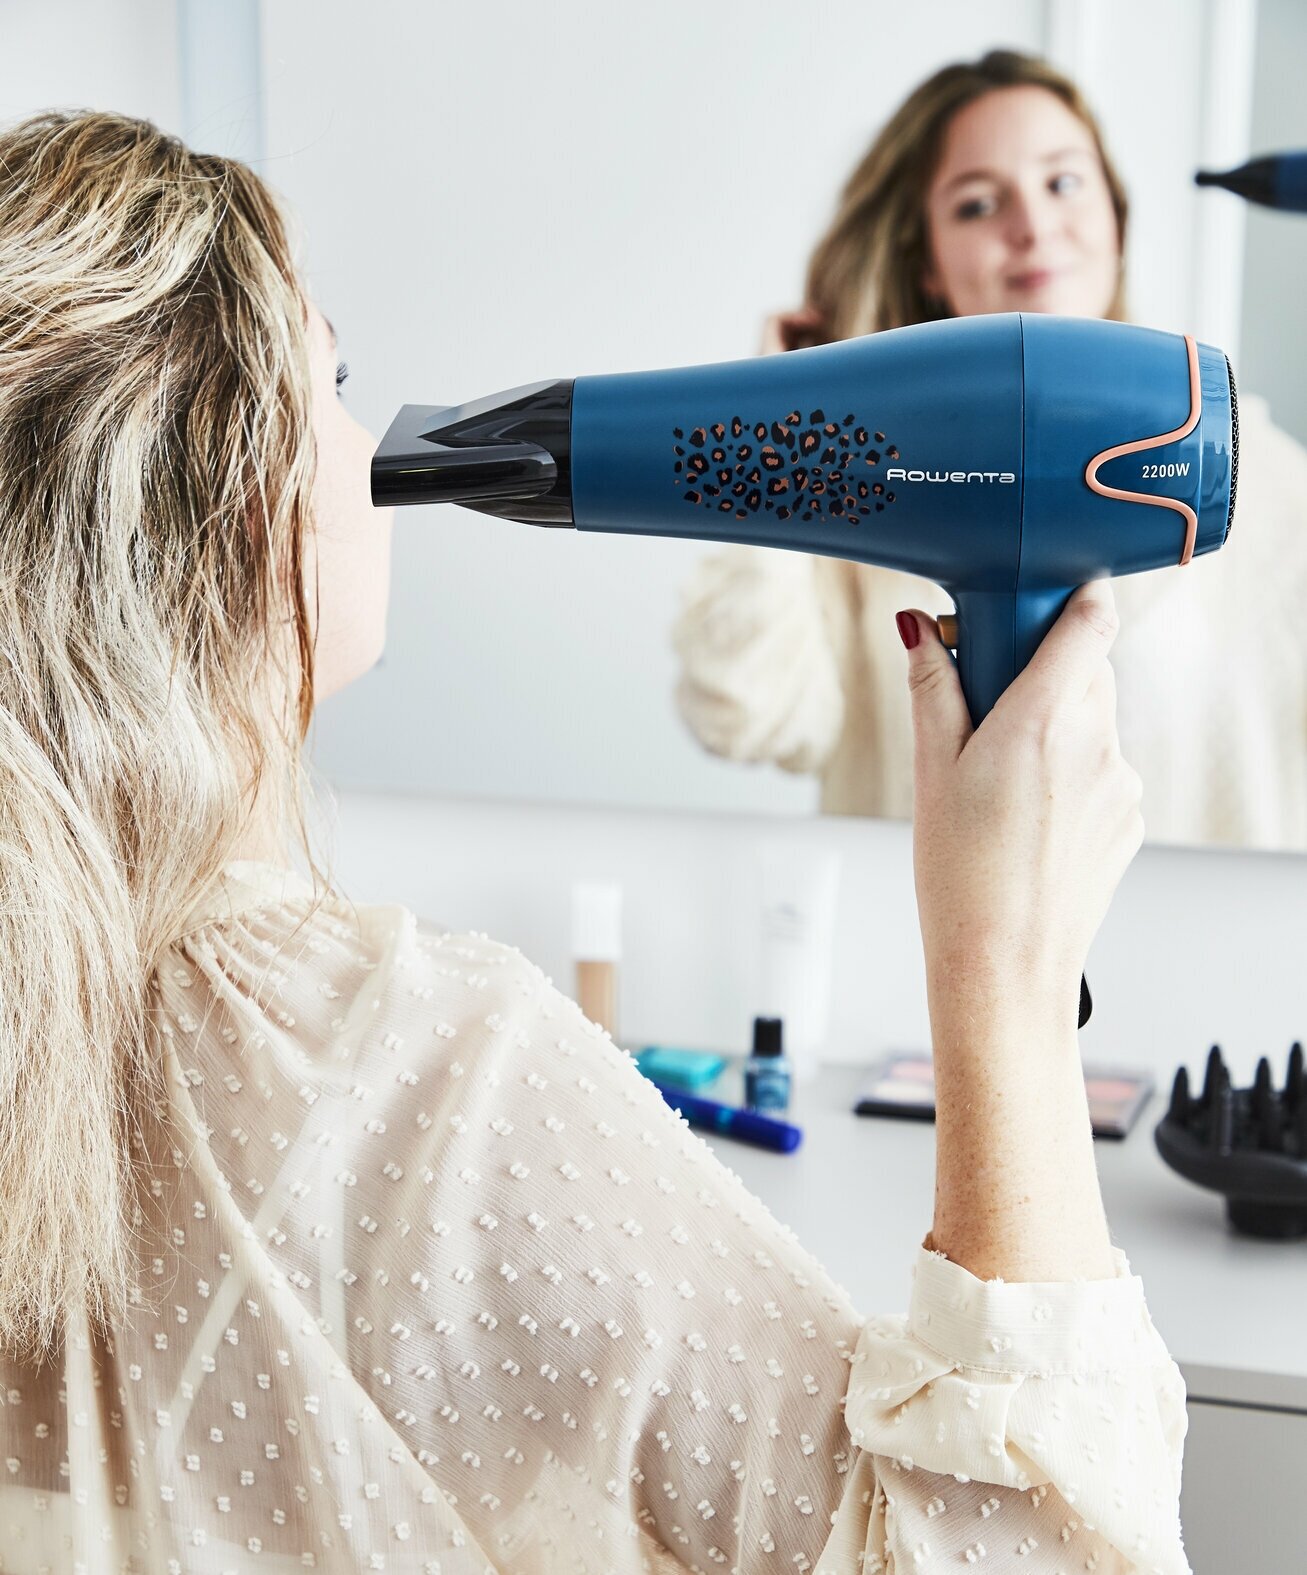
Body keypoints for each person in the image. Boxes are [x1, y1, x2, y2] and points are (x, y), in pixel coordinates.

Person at [0, 109, 1192, 1574]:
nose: (378, 440)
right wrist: (1009, 974)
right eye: (337, 382)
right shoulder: (417, 1084)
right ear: (245, 499)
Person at [672, 48, 1307, 853]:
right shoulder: (851, 478)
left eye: (1062, 182)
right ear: (927, 264)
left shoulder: (1260, 483)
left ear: (1116, 221)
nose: (1032, 226)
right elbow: (742, 713)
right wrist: (770, 438)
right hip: (924, 938)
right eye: (977, 204)